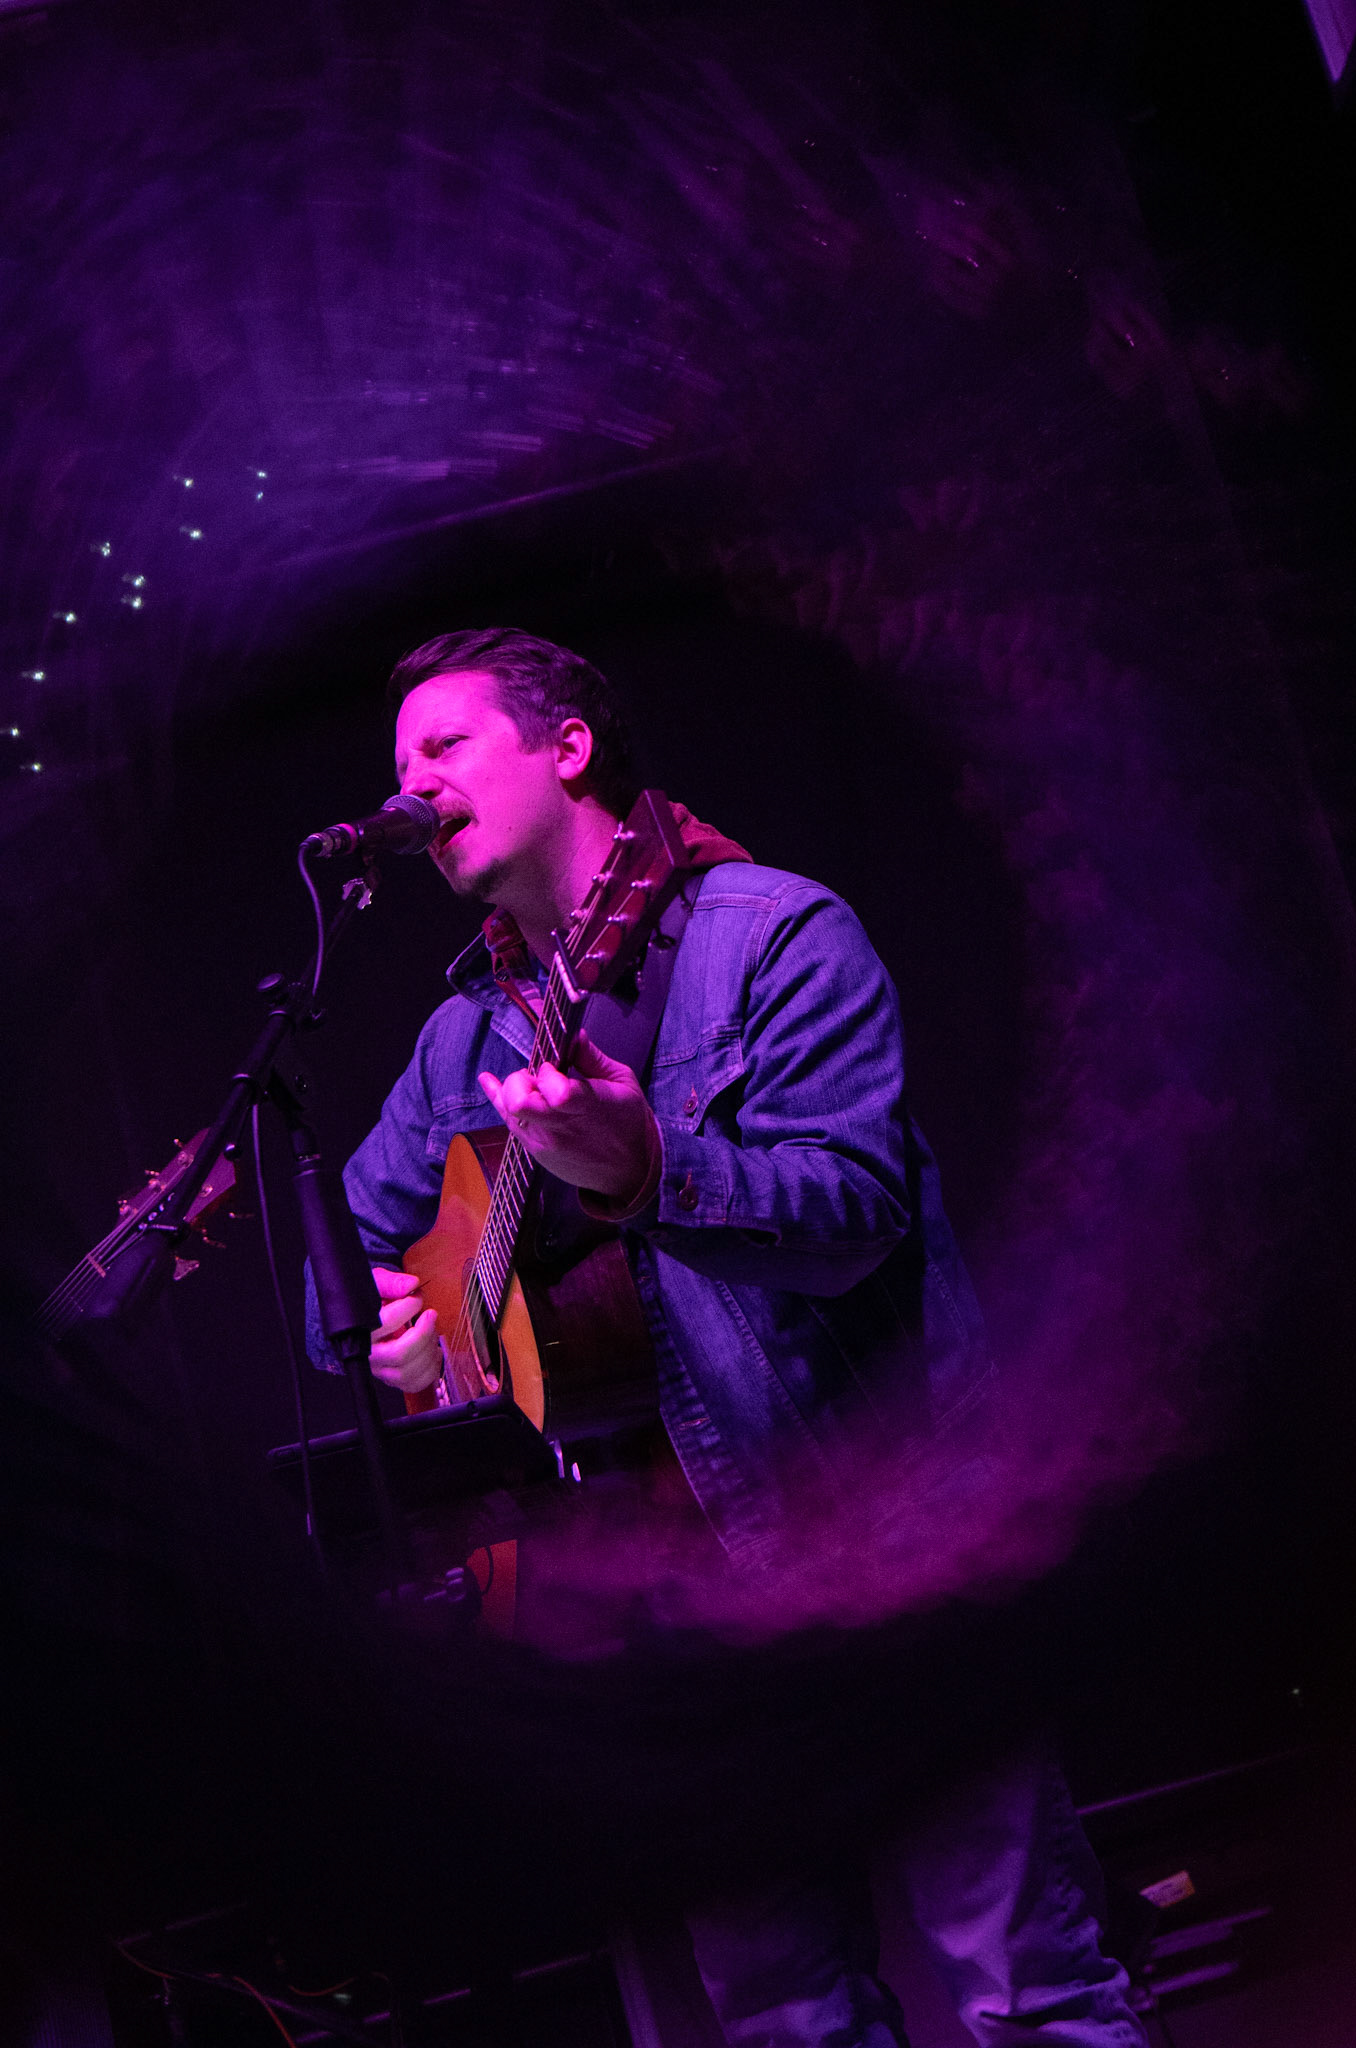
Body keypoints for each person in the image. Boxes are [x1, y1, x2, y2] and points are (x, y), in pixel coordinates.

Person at [306, 627, 1147, 2048]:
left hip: (881, 1538)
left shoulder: (773, 933)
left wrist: (649, 1172)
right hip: (662, 1602)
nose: (411, 786)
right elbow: (349, 1244)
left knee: (1023, 1983)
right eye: (397, 764)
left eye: (443, 746)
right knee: (781, 2013)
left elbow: (855, 1212)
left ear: (568, 749)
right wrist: (399, 1336)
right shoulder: (465, 1034)